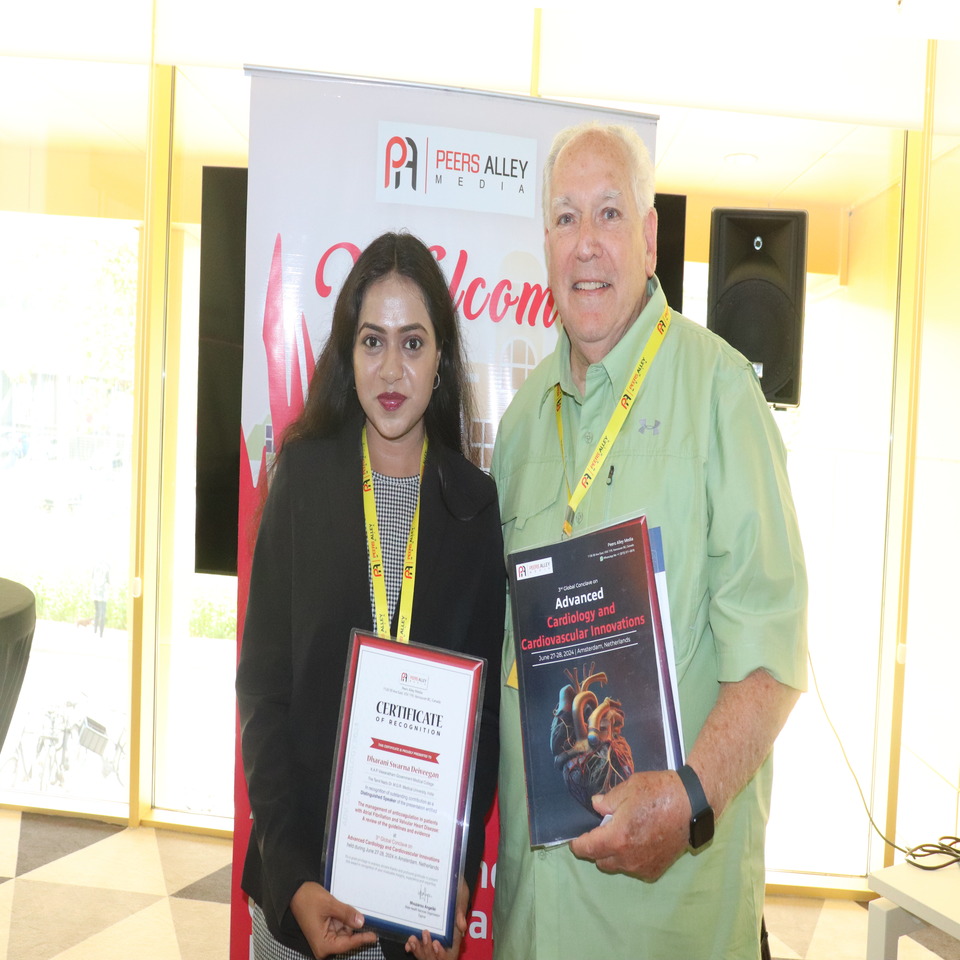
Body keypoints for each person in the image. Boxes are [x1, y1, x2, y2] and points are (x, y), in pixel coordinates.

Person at [491, 122, 808, 959]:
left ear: (649, 234)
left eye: (609, 213)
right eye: (565, 218)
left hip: (666, 922)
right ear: (546, 243)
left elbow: (772, 654)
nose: (586, 244)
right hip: (533, 919)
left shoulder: (720, 393)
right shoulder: (521, 425)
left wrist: (691, 800)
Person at [237, 231, 504, 960]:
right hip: (301, 899)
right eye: (372, 342)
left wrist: (453, 881)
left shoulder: (475, 509)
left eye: (413, 343)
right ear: (347, 354)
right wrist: (294, 880)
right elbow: (262, 696)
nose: (391, 369)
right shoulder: (302, 481)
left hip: (412, 914)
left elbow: (480, 725)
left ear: (442, 358)